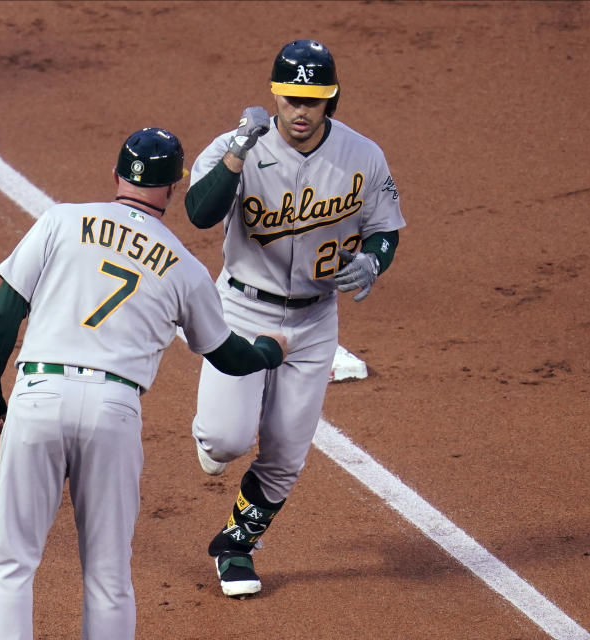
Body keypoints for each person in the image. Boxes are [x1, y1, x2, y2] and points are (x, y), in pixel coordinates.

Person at [0, 127, 287, 639]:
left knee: (12, 565)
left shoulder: (60, 220)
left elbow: (2, 318)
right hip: (113, 411)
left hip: (39, 394)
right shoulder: (184, 266)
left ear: (116, 175)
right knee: (109, 576)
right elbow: (229, 357)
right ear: (174, 188)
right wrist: (270, 349)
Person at [185, 39, 406, 598]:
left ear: (331, 99)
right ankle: (213, 440)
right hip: (238, 309)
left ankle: (236, 547)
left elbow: (385, 226)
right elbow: (200, 213)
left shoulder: (363, 155)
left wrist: (373, 262)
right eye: (291, 98)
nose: (301, 111)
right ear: (274, 96)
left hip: (314, 322)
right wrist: (238, 149)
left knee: (285, 453)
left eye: (313, 100)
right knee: (226, 440)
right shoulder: (235, 146)